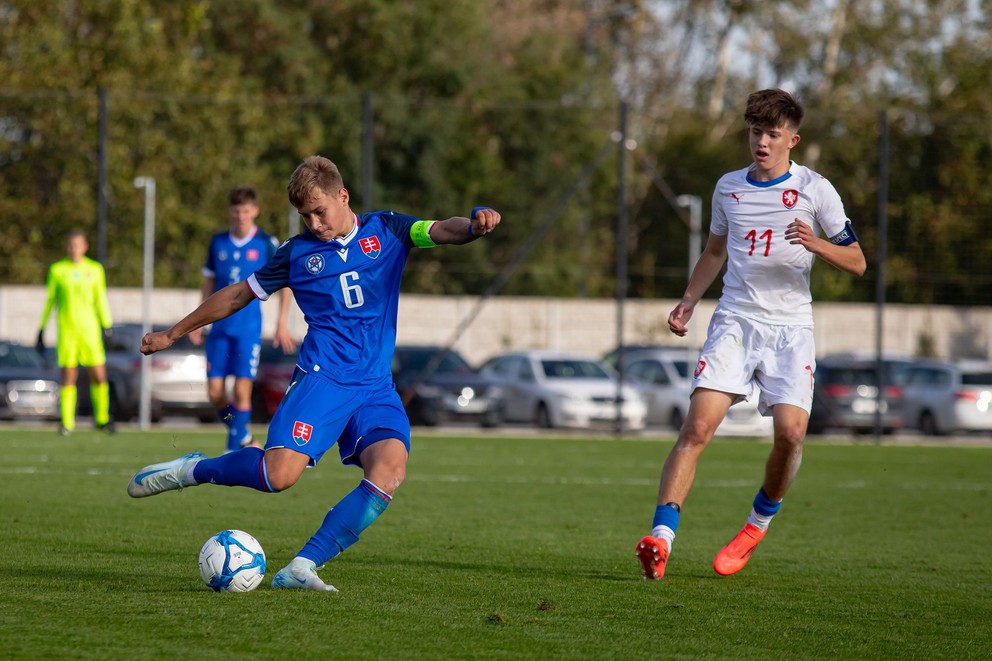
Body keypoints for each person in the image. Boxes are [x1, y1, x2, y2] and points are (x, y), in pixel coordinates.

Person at [127, 155, 501, 591]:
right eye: (305, 215)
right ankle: (193, 470)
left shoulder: (390, 229)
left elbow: (440, 230)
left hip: (375, 387)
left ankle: (302, 566)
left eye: (320, 211)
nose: (314, 223)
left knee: (389, 471)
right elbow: (235, 297)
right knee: (278, 477)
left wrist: (473, 227)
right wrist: (174, 332)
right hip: (322, 380)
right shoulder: (297, 253)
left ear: (343, 196)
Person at [635, 89, 867, 580]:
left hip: (790, 329)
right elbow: (715, 252)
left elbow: (858, 262)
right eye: (755, 132)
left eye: (772, 134)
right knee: (697, 428)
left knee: (790, 434)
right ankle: (660, 539)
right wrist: (688, 301)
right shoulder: (728, 188)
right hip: (735, 320)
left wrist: (817, 243)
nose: (761, 142)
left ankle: (758, 522)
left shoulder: (815, 189)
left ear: (792, 140)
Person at [188, 187, 295, 453]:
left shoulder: (266, 242)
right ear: (230, 212)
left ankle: (232, 447)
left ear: (255, 211)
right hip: (220, 329)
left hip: (248, 329)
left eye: (246, 211)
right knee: (215, 393)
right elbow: (209, 282)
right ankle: (243, 434)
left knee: (242, 391)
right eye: (236, 211)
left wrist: (281, 323)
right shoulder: (218, 242)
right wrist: (198, 321)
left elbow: (286, 283)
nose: (241, 216)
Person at [38, 230, 115, 435]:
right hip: (68, 332)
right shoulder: (57, 270)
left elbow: (101, 298)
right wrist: (41, 327)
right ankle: (67, 422)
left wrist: (107, 325)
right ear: (67, 247)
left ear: (85, 247)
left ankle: (102, 418)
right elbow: (50, 300)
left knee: (99, 374)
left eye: (77, 245)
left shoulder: (95, 269)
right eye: (71, 245)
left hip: (89, 331)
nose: (74, 249)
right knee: (69, 375)